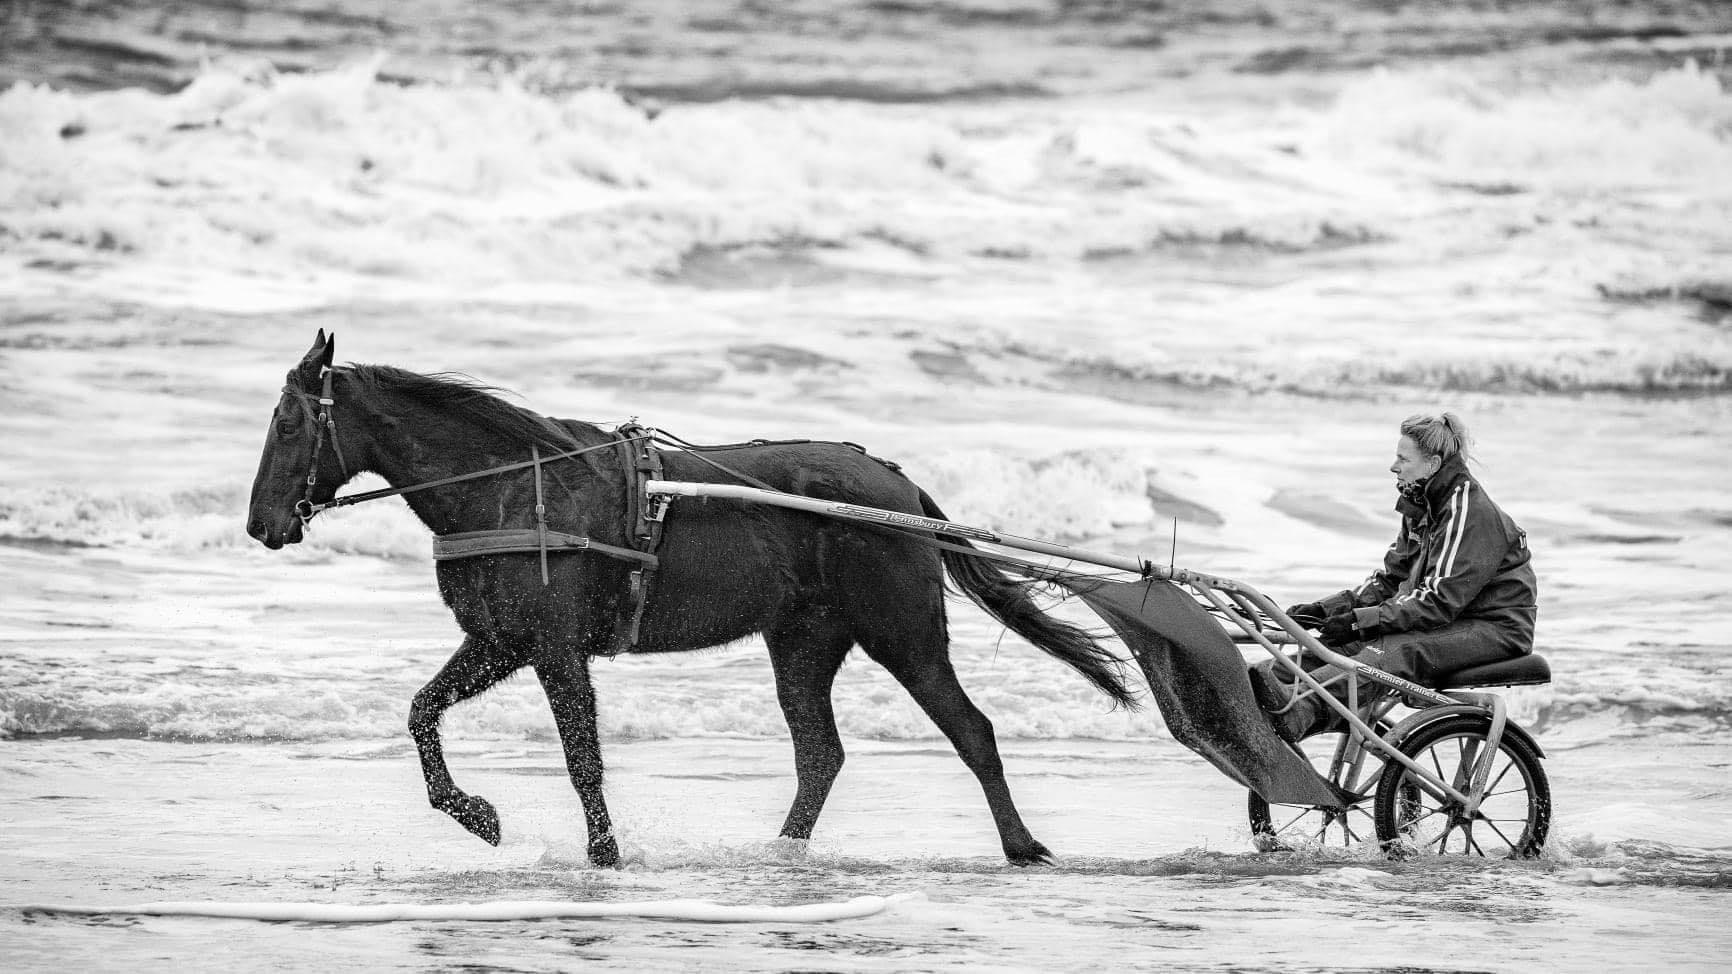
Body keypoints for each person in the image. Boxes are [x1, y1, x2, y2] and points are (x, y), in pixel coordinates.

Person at [1250, 413, 1538, 741]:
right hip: (1450, 619)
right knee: (1337, 643)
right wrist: (1326, 610)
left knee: (1392, 651)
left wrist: (1360, 621)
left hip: (1494, 629)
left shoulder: (1468, 512)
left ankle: (1302, 711)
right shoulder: (1422, 504)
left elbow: (1437, 602)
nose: (1393, 466)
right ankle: (1268, 692)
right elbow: (1389, 581)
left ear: (1432, 463)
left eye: (1403, 458)